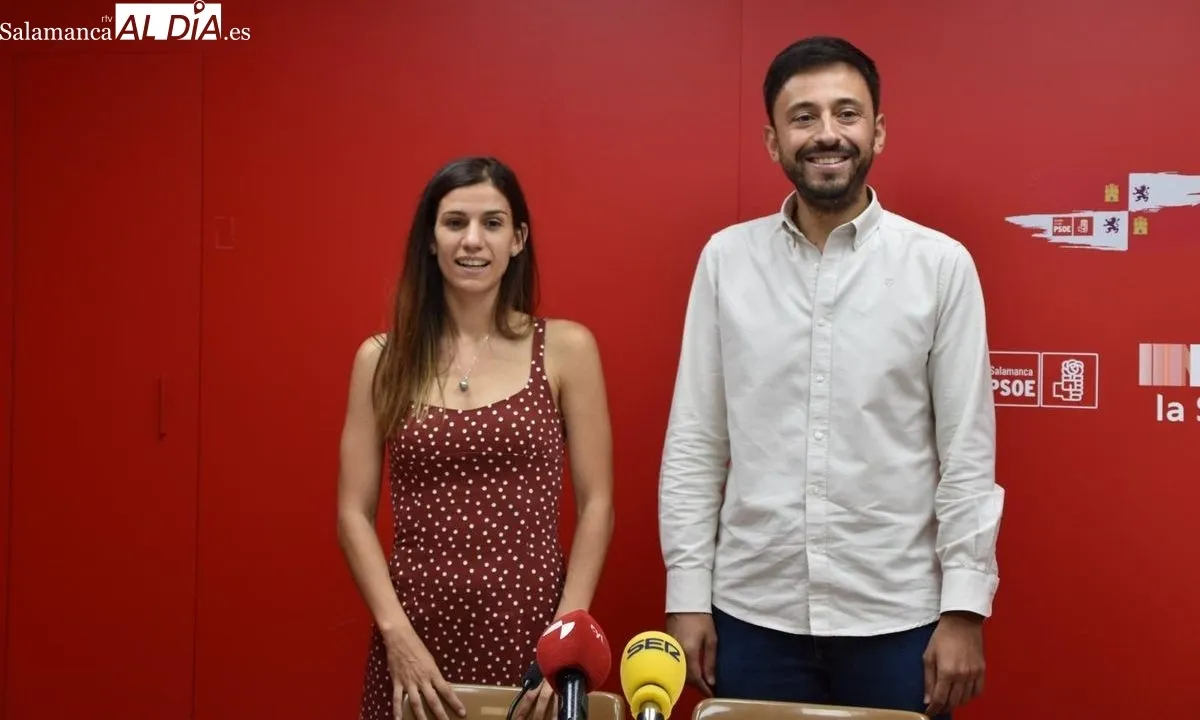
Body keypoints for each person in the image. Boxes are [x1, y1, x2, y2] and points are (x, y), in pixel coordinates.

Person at [657, 36, 1004, 720]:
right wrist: (687, 594)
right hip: (752, 616)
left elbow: (967, 452)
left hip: (898, 618)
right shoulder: (726, 261)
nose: (827, 134)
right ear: (773, 140)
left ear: (878, 130)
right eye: (803, 116)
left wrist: (964, 609)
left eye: (847, 113)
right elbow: (696, 440)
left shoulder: (940, 266)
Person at [337, 156, 615, 720]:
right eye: (454, 222)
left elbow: (598, 505)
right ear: (430, 239)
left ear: (518, 239)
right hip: (415, 631)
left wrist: (566, 633)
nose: (472, 240)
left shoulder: (566, 349)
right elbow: (351, 512)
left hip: (532, 628)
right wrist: (396, 635)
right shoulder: (382, 359)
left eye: (492, 223)